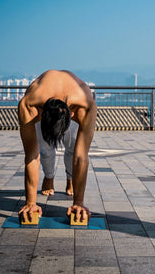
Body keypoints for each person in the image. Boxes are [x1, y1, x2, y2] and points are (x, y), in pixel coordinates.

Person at [17, 70, 97, 223]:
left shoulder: (85, 106)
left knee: (73, 148)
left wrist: (78, 203)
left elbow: (81, 157)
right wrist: (30, 203)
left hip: (72, 102)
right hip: (44, 103)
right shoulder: (28, 105)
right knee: (45, 150)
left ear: (72, 116)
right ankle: (49, 177)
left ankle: (70, 180)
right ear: (40, 115)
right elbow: (31, 156)